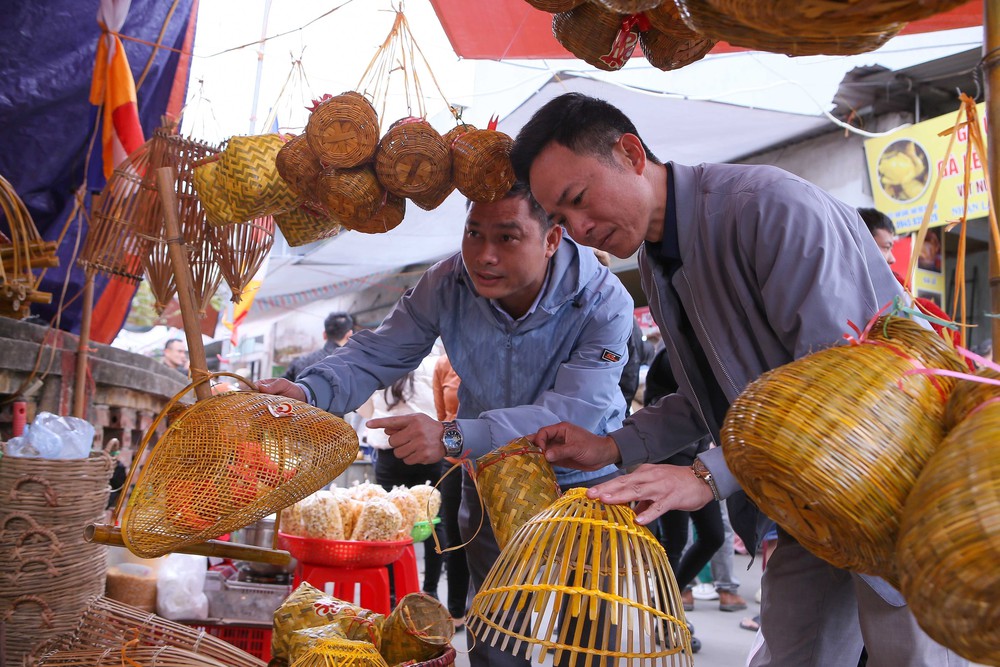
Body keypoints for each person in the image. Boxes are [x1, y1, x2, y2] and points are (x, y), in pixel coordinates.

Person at [511, 93, 964, 666]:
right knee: (791, 649)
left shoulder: (767, 208)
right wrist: (611, 445)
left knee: (913, 652)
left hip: (893, 485)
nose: (579, 229)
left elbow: (848, 391)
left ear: (630, 153)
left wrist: (707, 475)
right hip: (806, 500)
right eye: (559, 219)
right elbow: (709, 396)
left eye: (579, 199)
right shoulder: (656, 259)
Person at [256, 181, 633, 667]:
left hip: (586, 482)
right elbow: (379, 350)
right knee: (497, 623)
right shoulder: (446, 283)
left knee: (592, 629)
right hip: (492, 478)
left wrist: (453, 436)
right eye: (474, 233)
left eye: (507, 237)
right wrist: (309, 391)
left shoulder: (603, 298)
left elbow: (575, 411)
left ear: (551, 239)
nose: (484, 255)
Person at [363, 361, 444, 601]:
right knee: (433, 521)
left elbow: (365, 410)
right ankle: (430, 591)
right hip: (428, 452)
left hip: (390, 453)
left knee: (389, 520)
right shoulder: (433, 364)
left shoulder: (381, 366)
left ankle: (391, 592)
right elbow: (440, 409)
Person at [432, 351, 470, 628]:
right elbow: (441, 417)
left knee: (493, 540)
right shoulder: (444, 364)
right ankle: (457, 611)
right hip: (454, 462)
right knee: (455, 537)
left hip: (497, 460)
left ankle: (491, 612)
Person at [283, 312, 354, 381]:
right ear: (349, 335)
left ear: (324, 335)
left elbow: (281, 385)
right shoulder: (352, 366)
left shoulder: (300, 361)